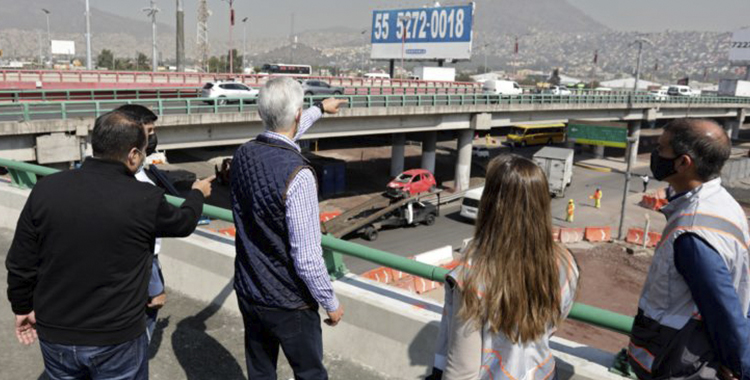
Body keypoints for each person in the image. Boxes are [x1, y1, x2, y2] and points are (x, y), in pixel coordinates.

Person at [6, 110, 214, 380]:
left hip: (55, 332)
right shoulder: (145, 198)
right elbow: (183, 222)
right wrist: (197, 194)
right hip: (117, 338)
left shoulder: (47, 188)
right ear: (133, 155)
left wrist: (21, 307)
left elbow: (21, 260)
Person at [230, 77, 348, 380]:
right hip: (289, 302)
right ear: (296, 114)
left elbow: (283, 134)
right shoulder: (299, 175)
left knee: (260, 371)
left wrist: (320, 109)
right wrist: (330, 302)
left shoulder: (243, 154)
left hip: (249, 290)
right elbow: (307, 258)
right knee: (310, 373)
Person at [430, 154, 579, 380]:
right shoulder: (566, 261)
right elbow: (555, 320)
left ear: (490, 204)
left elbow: (462, 371)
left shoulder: (472, 276)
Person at [628, 118, 750, 380]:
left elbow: (722, 307)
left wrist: (741, 365)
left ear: (683, 163)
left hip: (677, 360)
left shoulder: (691, 233)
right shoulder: (724, 203)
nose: (655, 154)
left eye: (661, 149)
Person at [116, 104, 165, 344]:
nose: (152, 138)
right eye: (149, 131)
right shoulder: (140, 186)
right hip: (141, 270)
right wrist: (155, 287)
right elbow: (149, 247)